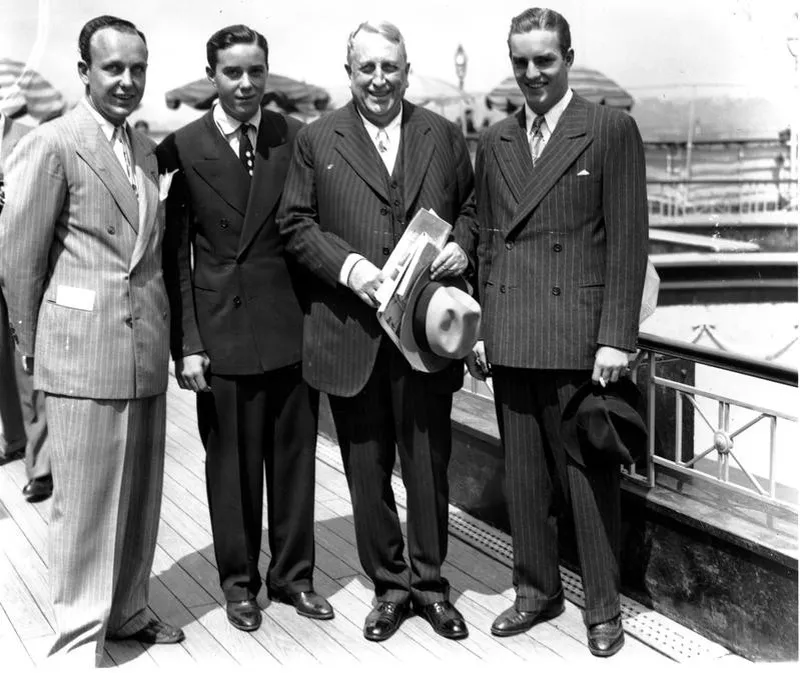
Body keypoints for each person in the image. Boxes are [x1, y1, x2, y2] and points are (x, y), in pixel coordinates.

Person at [278, 19, 476, 643]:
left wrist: (463, 249)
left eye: (390, 67)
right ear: (350, 72)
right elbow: (295, 224)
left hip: (423, 337)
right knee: (368, 473)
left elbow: (471, 209)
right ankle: (390, 587)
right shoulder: (316, 140)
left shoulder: (442, 135)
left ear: (407, 70)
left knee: (428, 468)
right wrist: (349, 266)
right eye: (367, 68)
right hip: (351, 336)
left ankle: (430, 586)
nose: (379, 79)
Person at [0, 15, 184, 665]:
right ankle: (80, 634)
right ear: (85, 73)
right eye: (114, 68)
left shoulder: (143, 148)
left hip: (142, 354)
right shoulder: (52, 143)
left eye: (138, 68)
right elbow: (18, 256)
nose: (129, 81)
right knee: (81, 508)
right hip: (80, 353)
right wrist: (32, 344)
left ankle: (129, 608)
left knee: (138, 497)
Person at [469, 7, 648, 658]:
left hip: (579, 340)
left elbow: (628, 244)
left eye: (544, 59)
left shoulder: (608, 131)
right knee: (523, 478)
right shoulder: (495, 142)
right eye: (521, 60)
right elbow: (489, 240)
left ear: (568, 57)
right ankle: (535, 590)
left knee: (588, 478)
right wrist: (483, 326)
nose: (532, 72)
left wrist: (615, 337)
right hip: (512, 333)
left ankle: (603, 609)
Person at [156, 24, 332, 632]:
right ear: (213, 76)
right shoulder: (182, 146)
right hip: (221, 333)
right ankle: (239, 585)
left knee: (294, 462)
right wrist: (190, 345)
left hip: (289, 327)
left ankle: (293, 577)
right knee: (229, 468)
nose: (246, 84)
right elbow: (175, 254)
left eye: (256, 71)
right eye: (233, 72)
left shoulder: (295, 138)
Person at [0, 100, 52, 501]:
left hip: (18, 265)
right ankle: (13, 439)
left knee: (27, 364)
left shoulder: (29, 139)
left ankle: (41, 465)